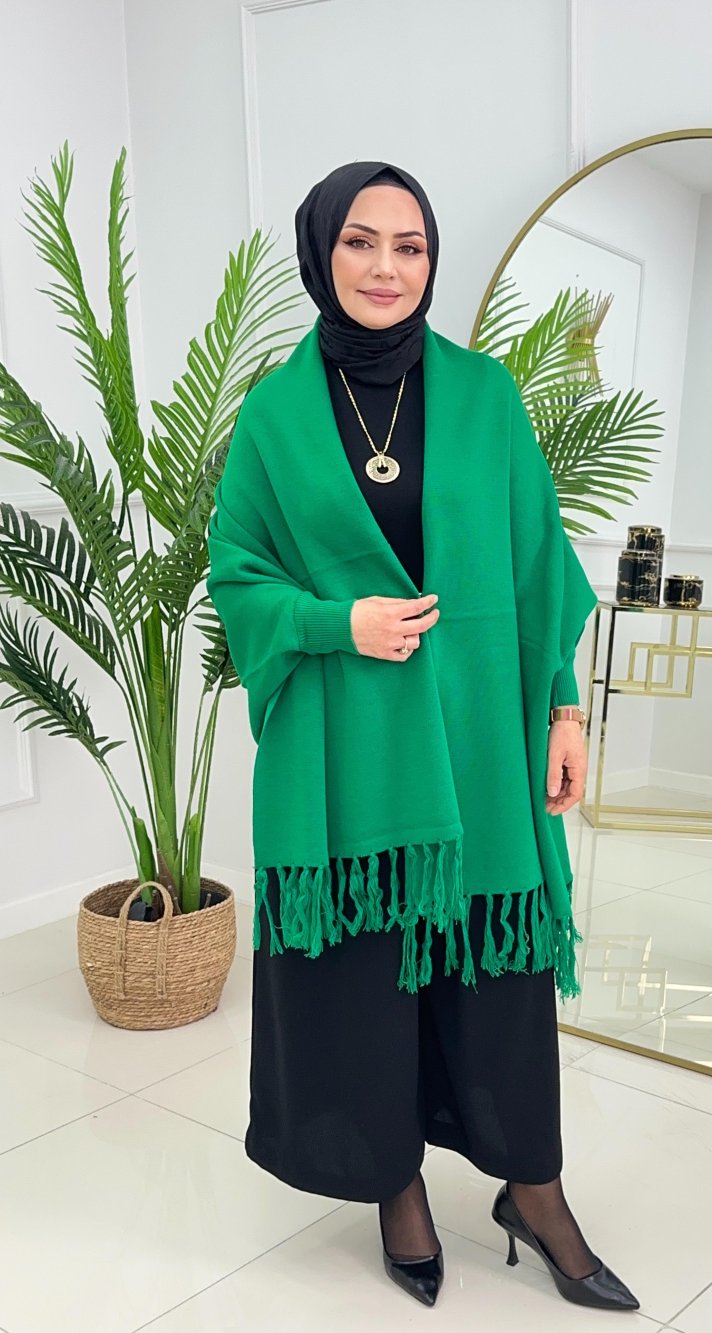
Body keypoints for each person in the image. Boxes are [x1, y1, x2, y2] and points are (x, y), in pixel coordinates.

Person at [206, 160, 639, 1313]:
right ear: (321, 253)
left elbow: (540, 565)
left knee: (495, 977)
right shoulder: (274, 415)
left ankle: (533, 1190)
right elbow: (237, 574)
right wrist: (334, 622)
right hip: (346, 751)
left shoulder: (485, 395)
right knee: (363, 978)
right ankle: (393, 1184)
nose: (387, 267)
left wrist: (563, 708)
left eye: (410, 245)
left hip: (479, 742)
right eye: (360, 241)